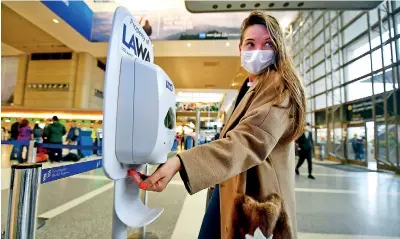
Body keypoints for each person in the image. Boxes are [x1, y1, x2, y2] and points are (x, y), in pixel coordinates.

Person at [131, 12, 305, 239]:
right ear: (240, 48)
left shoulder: (279, 88)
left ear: (278, 48)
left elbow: (246, 142)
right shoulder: (251, 87)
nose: (258, 51)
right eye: (250, 43)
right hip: (231, 188)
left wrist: (180, 163)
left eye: (267, 44)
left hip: (258, 203)